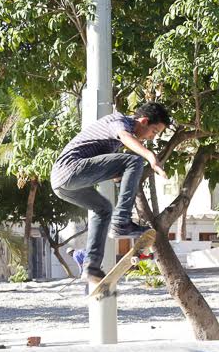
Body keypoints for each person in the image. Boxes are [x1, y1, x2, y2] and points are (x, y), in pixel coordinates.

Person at [51, 102, 171, 284]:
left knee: (104, 209)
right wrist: (150, 157)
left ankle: (90, 265)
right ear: (144, 121)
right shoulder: (120, 121)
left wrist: (121, 176)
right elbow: (125, 137)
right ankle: (122, 222)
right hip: (69, 170)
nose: (151, 138)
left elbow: (107, 168)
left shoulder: (112, 139)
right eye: (153, 132)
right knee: (135, 161)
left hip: (62, 185)